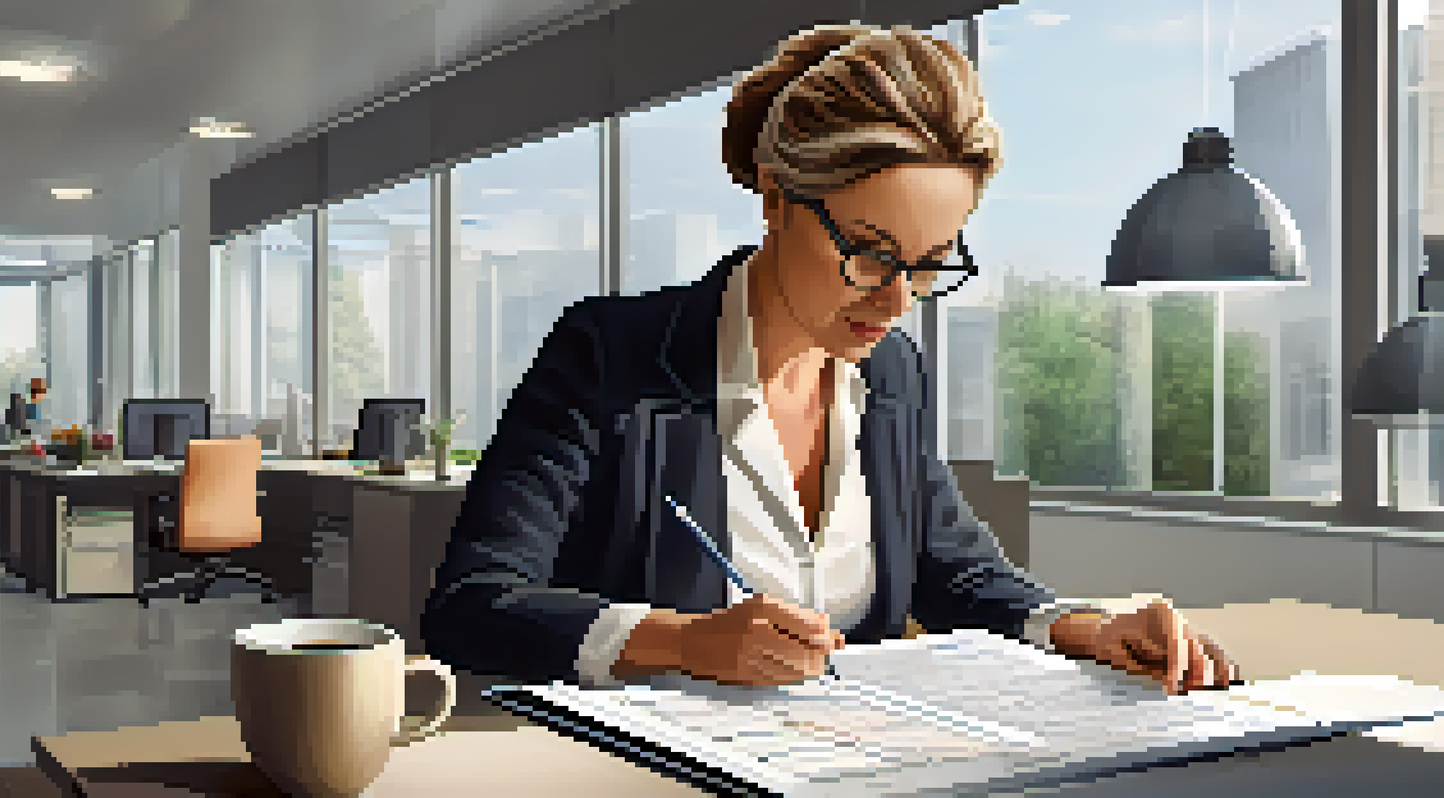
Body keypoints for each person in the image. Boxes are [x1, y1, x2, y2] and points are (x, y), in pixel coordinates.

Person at [424, 24, 1239, 694]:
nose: (898, 300)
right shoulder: (610, 355)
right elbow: (472, 604)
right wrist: (683, 641)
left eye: (931, 262)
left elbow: (954, 573)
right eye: (871, 254)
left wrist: (1093, 628)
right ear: (776, 198)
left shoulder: (891, 375)